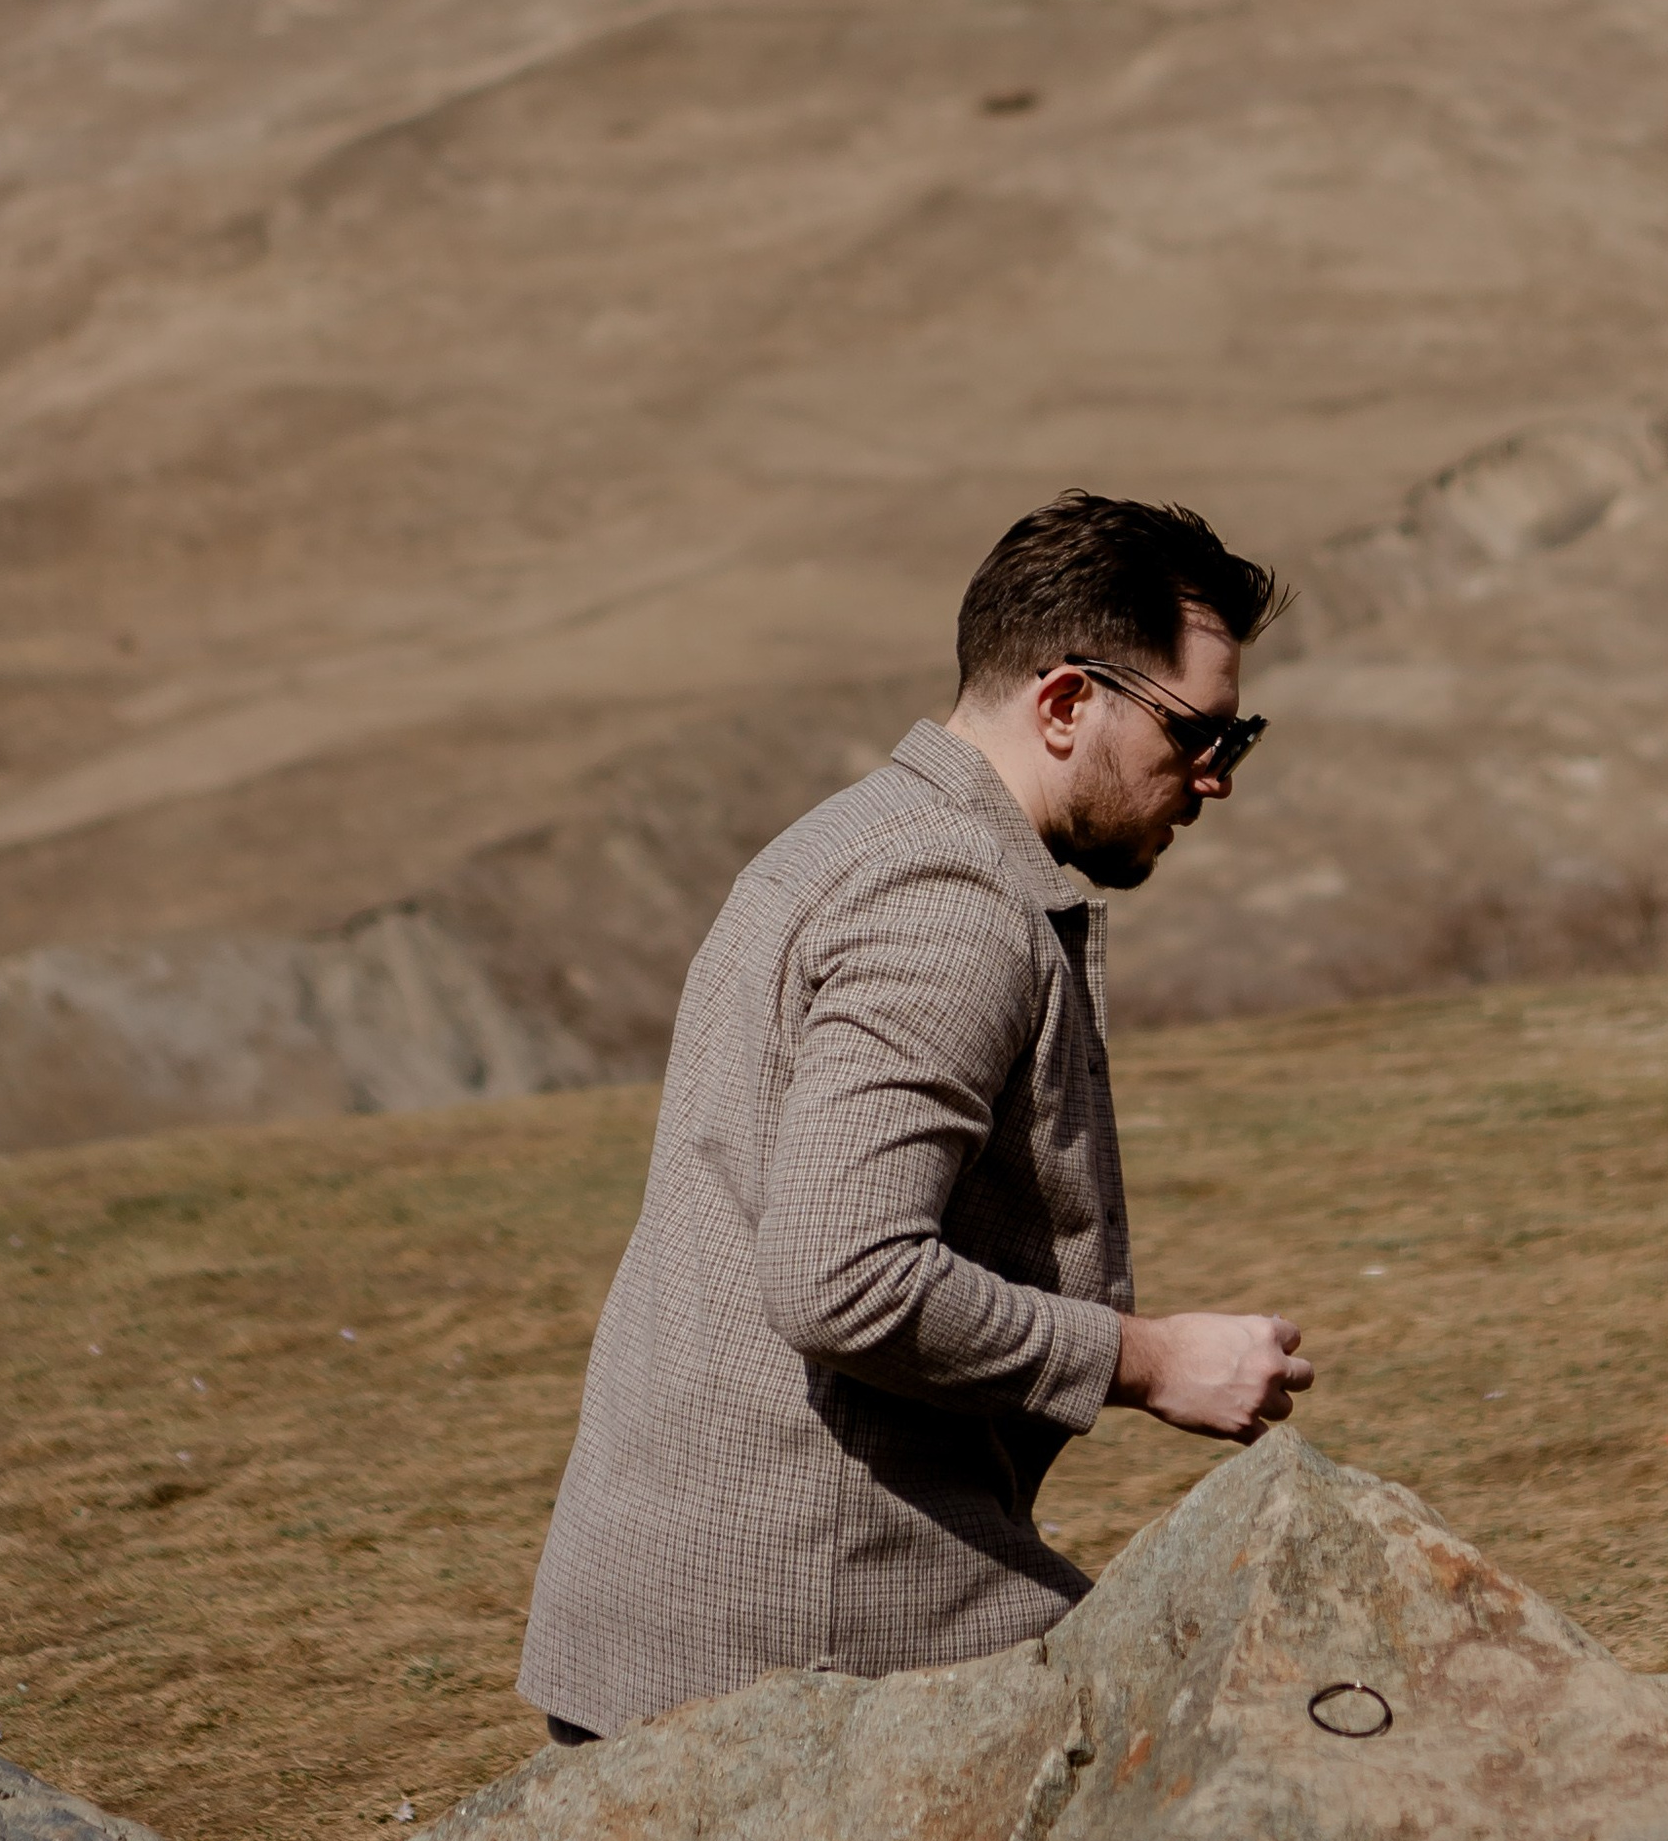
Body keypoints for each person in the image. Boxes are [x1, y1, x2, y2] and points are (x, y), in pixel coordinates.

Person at [517, 489, 1311, 1735]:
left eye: (1238, 736)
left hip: (685, 1619)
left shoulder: (849, 837)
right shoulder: (946, 903)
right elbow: (846, 1278)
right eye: (1200, 733)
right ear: (1065, 703)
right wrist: (1151, 1361)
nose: (1215, 779)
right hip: (800, 1652)